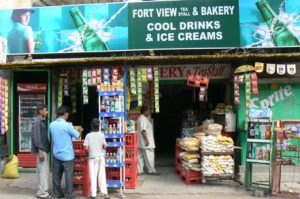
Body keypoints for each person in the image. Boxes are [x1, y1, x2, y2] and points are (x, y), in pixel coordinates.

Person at [50, 106, 83, 199]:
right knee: (68, 176)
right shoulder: (67, 125)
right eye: (68, 114)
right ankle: (70, 194)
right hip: (67, 155)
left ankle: (57, 194)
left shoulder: (52, 124)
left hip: (56, 154)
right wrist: (79, 130)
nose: (68, 115)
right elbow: (77, 135)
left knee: (56, 176)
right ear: (65, 114)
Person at [83, 118, 110, 199]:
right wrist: (101, 148)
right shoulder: (101, 135)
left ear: (91, 126)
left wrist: (87, 153)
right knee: (102, 175)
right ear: (99, 126)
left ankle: (93, 195)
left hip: (93, 158)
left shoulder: (88, 135)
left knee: (93, 176)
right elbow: (105, 146)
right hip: (101, 157)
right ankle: (105, 194)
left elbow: (85, 147)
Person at [31, 105, 51, 199]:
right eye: (45, 110)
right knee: (42, 172)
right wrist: (40, 150)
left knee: (45, 171)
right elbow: (36, 136)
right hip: (41, 150)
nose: (47, 112)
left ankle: (44, 191)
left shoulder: (42, 121)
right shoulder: (37, 121)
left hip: (44, 149)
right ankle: (41, 192)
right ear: (40, 111)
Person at [137, 106, 160, 175]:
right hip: (146, 142)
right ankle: (151, 170)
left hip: (140, 142)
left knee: (140, 157)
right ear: (145, 111)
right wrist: (147, 140)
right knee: (149, 156)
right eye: (148, 111)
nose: (149, 112)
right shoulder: (143, 119)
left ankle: (140, 170)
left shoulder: (140, 118)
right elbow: (143, 131)